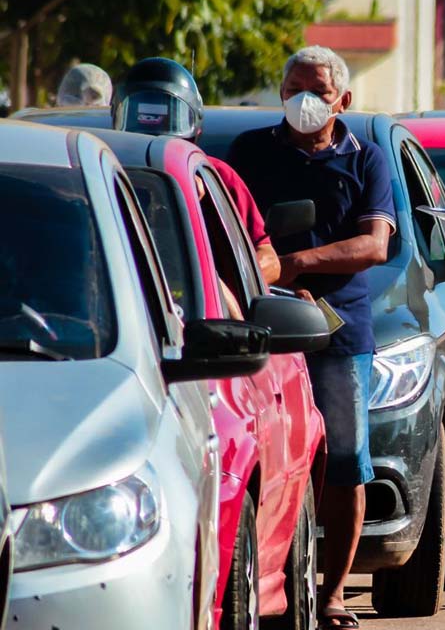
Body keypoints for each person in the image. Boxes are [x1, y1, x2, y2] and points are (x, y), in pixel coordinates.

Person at [227, 45, 396, 630]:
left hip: (340, 336)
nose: (304, 100)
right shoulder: (249, 153)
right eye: (294, 88)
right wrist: (269, 282)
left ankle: (333, 593)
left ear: (343, 100)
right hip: (259, 330)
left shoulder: (367, 159)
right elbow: (227, 235)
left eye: (318, 92)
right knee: (262, 463)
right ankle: (265, 583)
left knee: (347, 464)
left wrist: (294, 265)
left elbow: (375, 245)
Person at [112, 57, 280, 284]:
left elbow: (269, 259)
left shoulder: (217, 176)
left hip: (204, 310)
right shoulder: (100, 175)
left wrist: (230, 288)